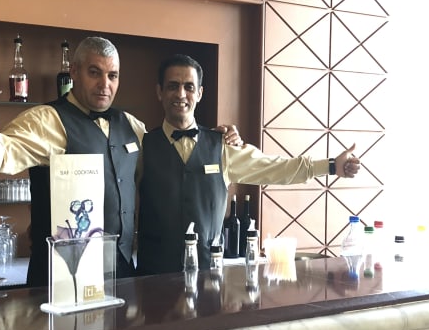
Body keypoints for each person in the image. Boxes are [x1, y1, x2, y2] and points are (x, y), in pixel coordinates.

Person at [0, 36, 241, 286]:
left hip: (122, 274)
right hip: (62, 279)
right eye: (94, 73)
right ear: (74, 72)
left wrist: (219, 140)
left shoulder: (131, 125)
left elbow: (171, 148)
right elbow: (4, 152)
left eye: (112, 75)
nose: (104, 84)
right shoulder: (47, 120)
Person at [136, 53, 362, 276]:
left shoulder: (222, 146)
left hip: (208, 277)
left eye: (189, 87)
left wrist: (331, 166)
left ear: (200, 93)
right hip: (152, 277)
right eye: (172, 86)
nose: (181, 94)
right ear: (160, 92)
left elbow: (276, 168)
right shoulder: (142, 144)